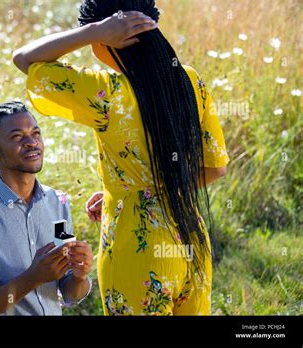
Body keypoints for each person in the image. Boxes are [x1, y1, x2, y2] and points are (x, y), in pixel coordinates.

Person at [13, 0, 229, 315]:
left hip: (137, 252)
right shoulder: (189, 80)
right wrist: (141, 189)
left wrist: (92, 31)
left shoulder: (106, 92)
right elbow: (215, 168)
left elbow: (24, 58)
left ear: (110, 40)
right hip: (191, 243)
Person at [0, 101, 93, 315]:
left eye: (36, 133)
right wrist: (32, 278)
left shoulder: (57, 202)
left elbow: (69, 291)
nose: (32, 143)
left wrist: (79, 275)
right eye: (17, 137)